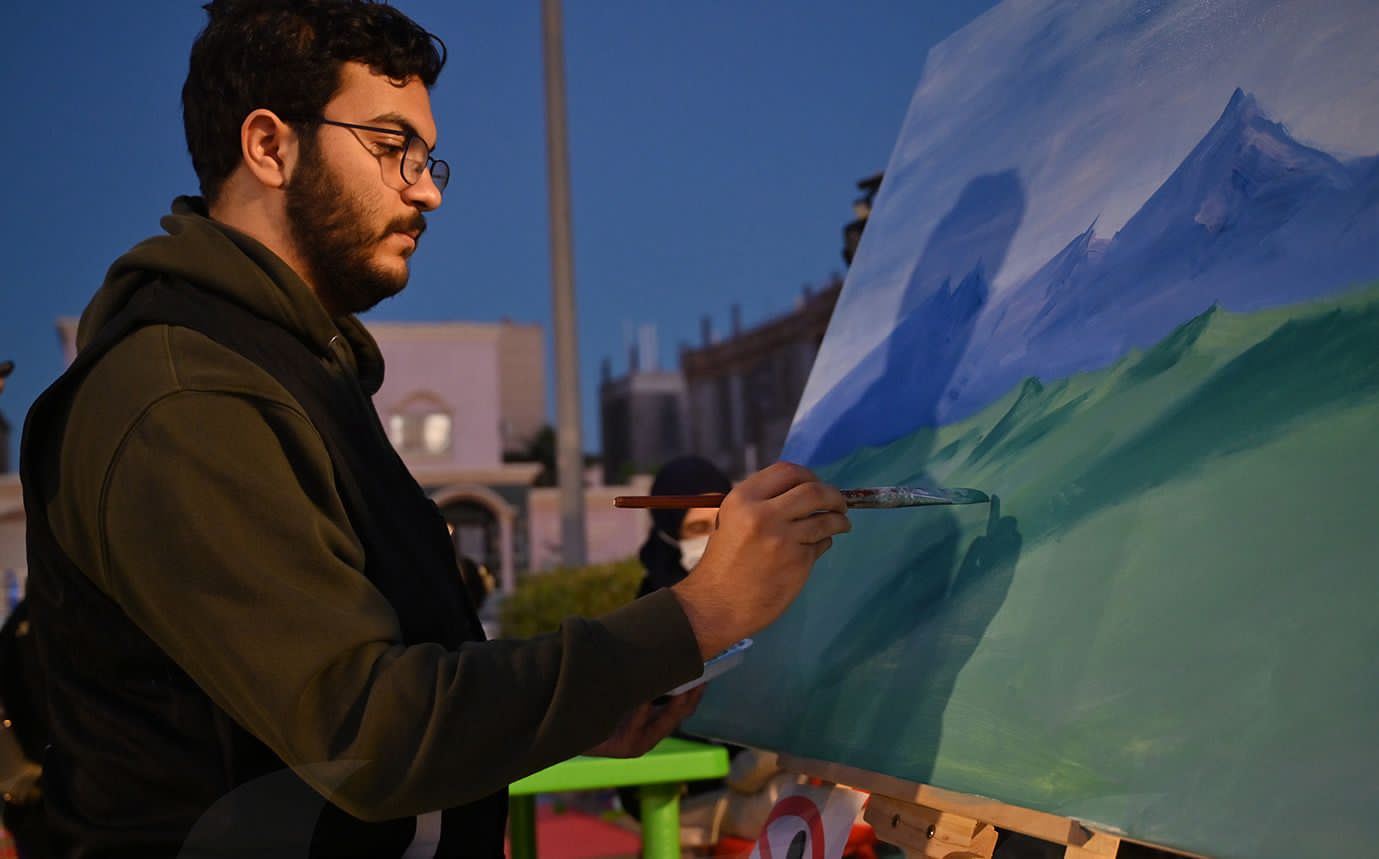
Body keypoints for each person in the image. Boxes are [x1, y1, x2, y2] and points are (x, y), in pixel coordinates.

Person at [18, 2, 851, 857]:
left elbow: (396, 699)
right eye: (391, 147)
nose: (427, 190)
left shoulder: (294, 372)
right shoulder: (185, 400)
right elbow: (373, 732)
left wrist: (575, 714)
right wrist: (697, 613)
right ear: (269, 146)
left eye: (426, 157)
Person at [635, 455, 734, 599]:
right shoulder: (654, 606)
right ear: (670, 533)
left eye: (723, 522)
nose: (716, 537)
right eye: (699, 528)